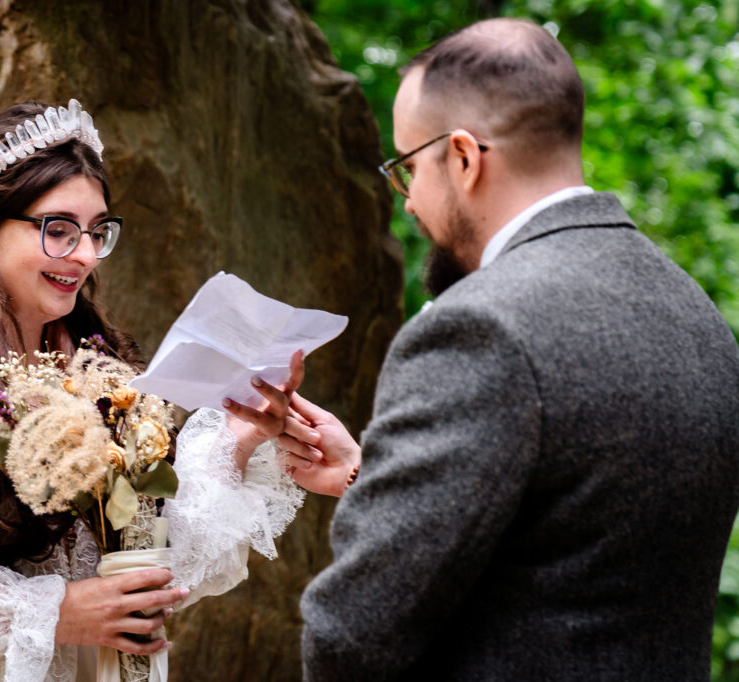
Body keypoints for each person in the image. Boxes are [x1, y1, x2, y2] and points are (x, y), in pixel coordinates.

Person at [283, 18, 739, 681]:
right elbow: (573, 543)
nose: (408, 203)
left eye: (409, 168)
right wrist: (369, 473)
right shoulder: (696, 314)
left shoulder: (479, 329)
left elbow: (351, 635)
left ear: (464, 157)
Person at [0, 100, 315, 682]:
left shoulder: (108, 372)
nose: (83, 254)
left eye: (97, 231)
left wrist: (241, 435)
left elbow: (161, 564)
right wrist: (52, 613)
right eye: (57, 229)